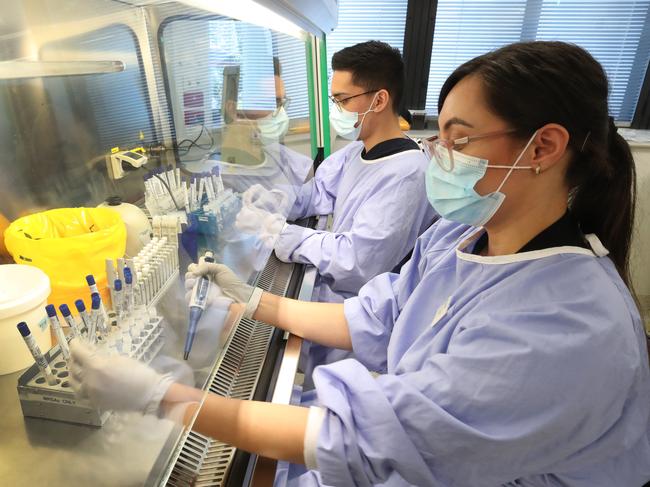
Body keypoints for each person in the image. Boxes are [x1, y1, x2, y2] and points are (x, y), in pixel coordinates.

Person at [70, 41, 650, 486]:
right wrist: (254, 301)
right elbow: (377, 315)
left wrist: (163, 398)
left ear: (543, 148)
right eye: (439, 136)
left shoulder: (568, 325)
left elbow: (367, 436)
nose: (437, 156)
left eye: (460, 139)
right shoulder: (461, 236)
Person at [272, 40, 435, 303]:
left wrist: (286, 236)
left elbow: (357, 261)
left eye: (343, 100)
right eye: (334, 100)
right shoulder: (355, 152)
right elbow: (318, 193)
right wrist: (274, 201)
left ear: (380, 99)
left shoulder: (408, 174)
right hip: (335, 290)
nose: (336, 111)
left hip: (360, 309)